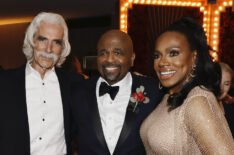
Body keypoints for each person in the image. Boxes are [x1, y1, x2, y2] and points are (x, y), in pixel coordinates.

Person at [140, 17, 234, 154]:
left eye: (173, 53)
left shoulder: (197, 101)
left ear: (194, 58)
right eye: (157, 56)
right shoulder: (168, 97)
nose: (162, 63)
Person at [0, 12, 83, 155]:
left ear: (63, 48)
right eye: (43, 39)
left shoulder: (74, 84)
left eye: (56, 42)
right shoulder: (4, 83)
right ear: (32, 41)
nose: (48, 49)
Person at [71, 29, 162, 155]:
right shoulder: (78, 92)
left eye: (118, 53)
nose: (109, 59)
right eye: (103, 53)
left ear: (132, 58)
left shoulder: (154, 90)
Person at [218, 62, 234, 137]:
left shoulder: (230, 111)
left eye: (226, 84)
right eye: (218, 81)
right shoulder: (200, 108)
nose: (221, 88)